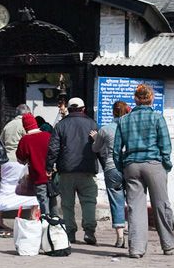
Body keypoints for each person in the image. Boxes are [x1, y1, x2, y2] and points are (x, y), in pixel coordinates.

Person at [113, 84, 174, 258]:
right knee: (161, 205)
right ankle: (169, 245)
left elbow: (116, 149)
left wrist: (122, 167)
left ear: (135, 99)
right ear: (151, 99)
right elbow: (165, 145)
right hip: (154, 164)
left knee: (135, 208)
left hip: (132, 166)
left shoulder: (123, 120)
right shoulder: (158, 118)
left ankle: (136, 248)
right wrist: (166, 164)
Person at [46, 96, 99, 245]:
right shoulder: (92, 124)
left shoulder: (61, 125)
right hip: (87, 169)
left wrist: (49, 167)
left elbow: (53, 148)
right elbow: (100, 147)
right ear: (83, 109)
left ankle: (70, 233)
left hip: (66, 170)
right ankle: (89, 232)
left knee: (67, 203)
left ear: (68, 110)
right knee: (89, 202)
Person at [0, 103, 37, 232]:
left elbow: (1, 141)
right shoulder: (25, 124)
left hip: (7, 161)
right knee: (30, 187)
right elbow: (30, 141)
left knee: (5, 188)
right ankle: (33, 216)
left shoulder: (8, 125)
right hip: (20, 160)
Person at [92, 101, 130, 248]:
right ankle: (133, 234)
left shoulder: (105, 129)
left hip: (111, 168)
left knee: (116, 201)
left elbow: (96, 148)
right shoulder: (130, 129)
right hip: (129, 166)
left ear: (113, 112)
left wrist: (96, 138)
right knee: (133, 201)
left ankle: (120, 237)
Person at [16, 113, 53, 215]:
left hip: (37, 177)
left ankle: (45, 224)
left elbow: (20, 158)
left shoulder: (25, 140)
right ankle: (54, 226)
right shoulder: (48, 136)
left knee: (43, 202)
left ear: (25, 126)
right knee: (53, 202)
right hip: (52, 176)